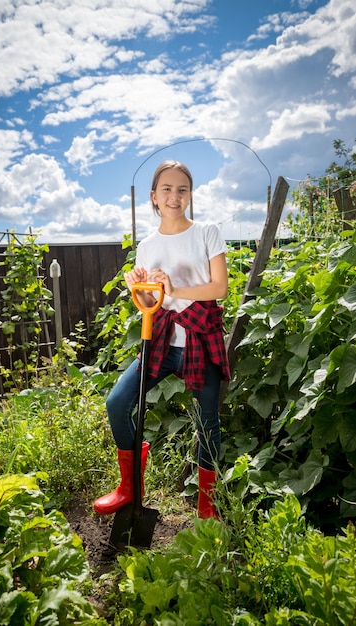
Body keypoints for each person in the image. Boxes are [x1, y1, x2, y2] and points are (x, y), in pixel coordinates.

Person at [93, 160, 230, 519]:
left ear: (190, 195)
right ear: (153, 197)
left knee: (207, 423)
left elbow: (221, 288)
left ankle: (207, 507)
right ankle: (129, 487)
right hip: (163, 340)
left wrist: (176, 287)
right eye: (166, 189)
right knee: (117, 403)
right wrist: (137, 288)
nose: (174, 196)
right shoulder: (147, 245)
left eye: (182, 189)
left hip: (201, 338)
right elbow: (153, 304)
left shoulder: (206, 232)